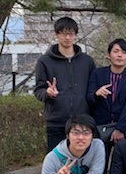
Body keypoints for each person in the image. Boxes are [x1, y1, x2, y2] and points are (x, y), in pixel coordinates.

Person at [34, 16, 95, 152]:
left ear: (75, 35)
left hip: (82, 122)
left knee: (82, 161)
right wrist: (48, 93)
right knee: (57, 161)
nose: (67, 37)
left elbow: (92, 90)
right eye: (63, 33)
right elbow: (38, 90)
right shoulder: (44, 61)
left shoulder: (87, 61)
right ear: (56, 34)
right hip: (56, 122)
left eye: (71, 34)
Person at [87, 38, 126, 168]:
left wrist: (120, 129)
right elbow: (89, 98)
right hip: (100, 127)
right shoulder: (97, 74)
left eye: (124, 52)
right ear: (108, 54)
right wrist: (96, 94)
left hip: (123, 128)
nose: (119, 55)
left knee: (124, 167)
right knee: (99, 166)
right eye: (116, 51)